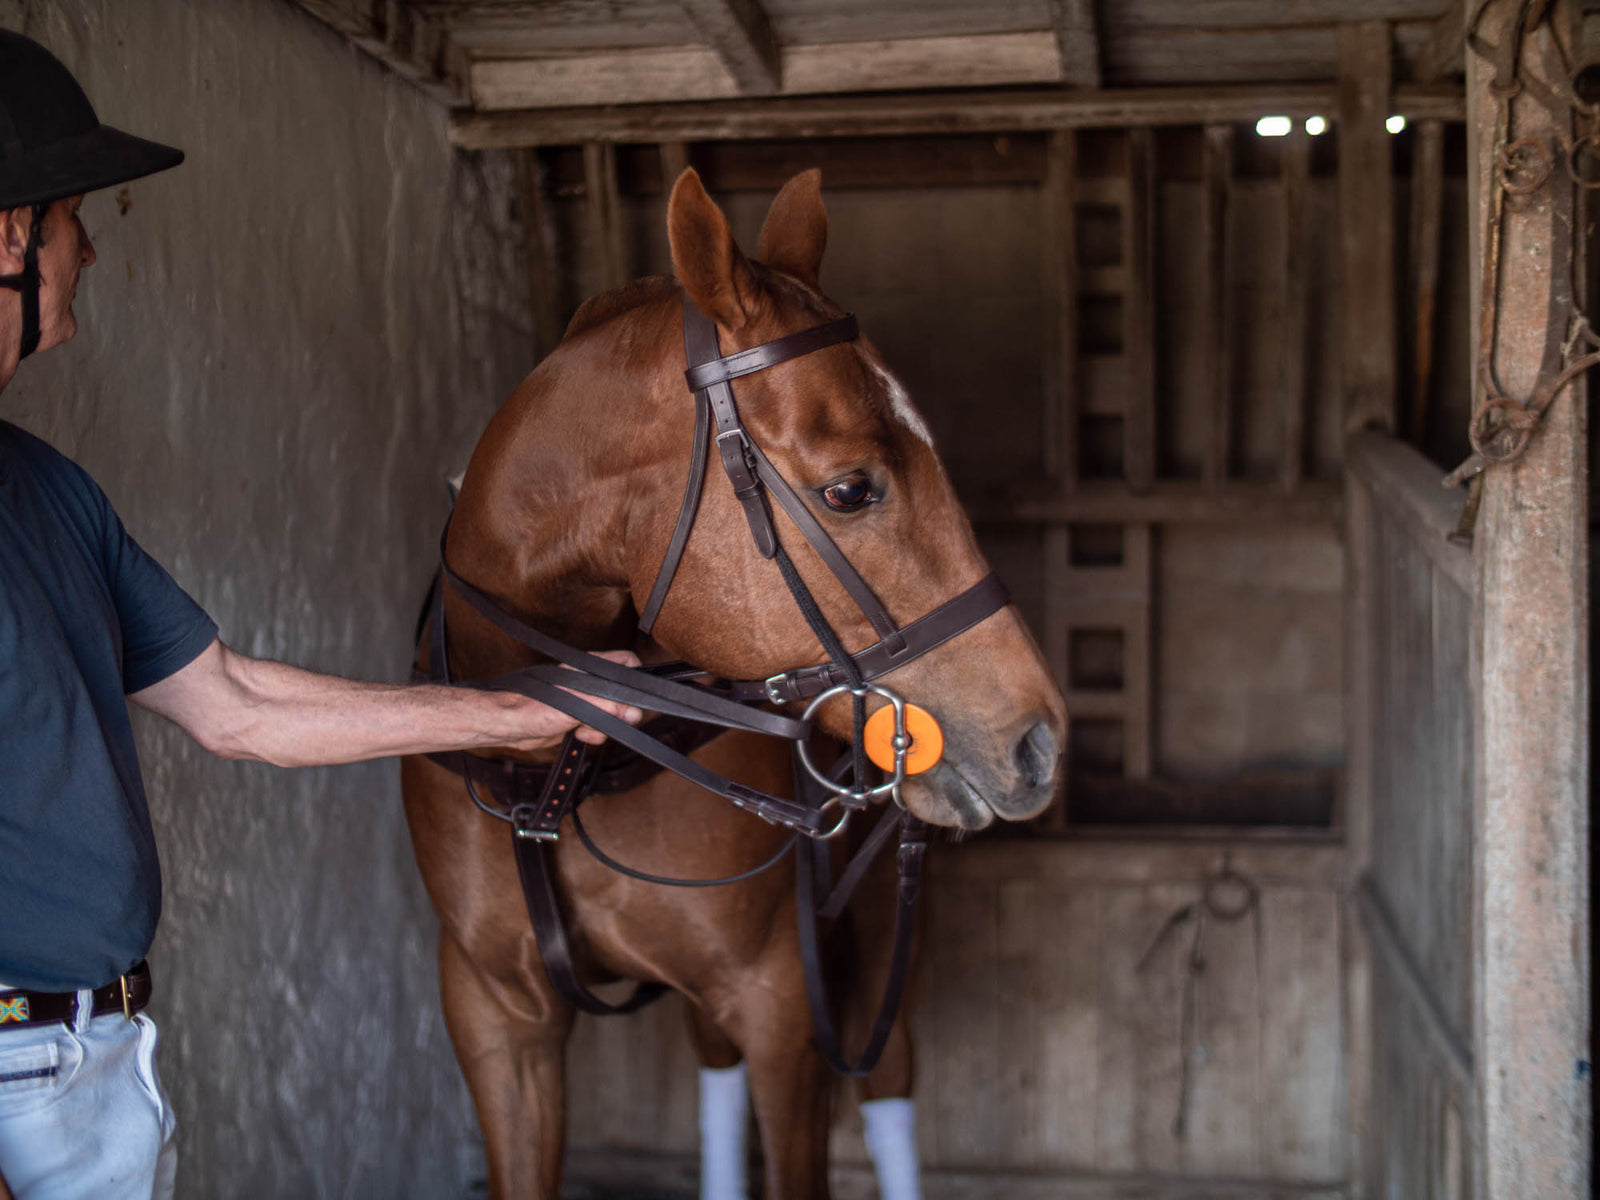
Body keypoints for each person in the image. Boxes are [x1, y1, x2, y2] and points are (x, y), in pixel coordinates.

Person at [0, 29, 639, 1199]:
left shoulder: (48, 491)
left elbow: (236, 703)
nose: (90, 245)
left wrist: (517, 710)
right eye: (73, 215)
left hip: (98, 1062)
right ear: (8, 237)